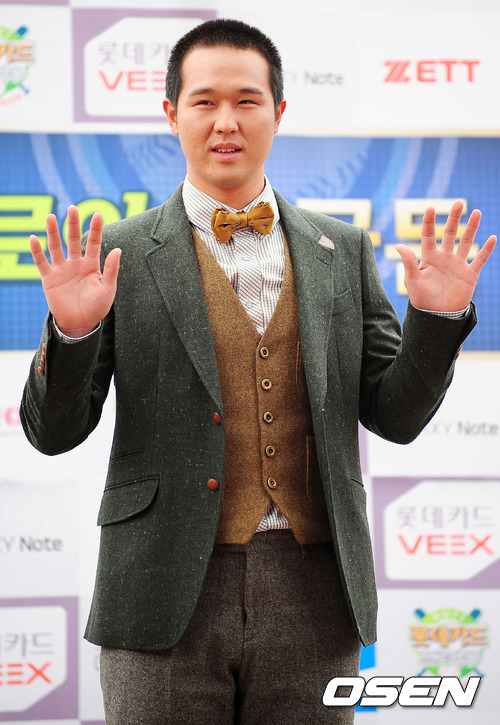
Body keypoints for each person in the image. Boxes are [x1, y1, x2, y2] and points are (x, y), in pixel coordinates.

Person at [21, 18, 495, 725]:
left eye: (246, 100)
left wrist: (434, 319)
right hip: (158, 586)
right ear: (171, 114)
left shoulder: (343, 250)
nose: (226, 122)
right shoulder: (116, 254)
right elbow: (53, 433)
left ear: (279, 112)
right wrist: (74, 331)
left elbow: (395, 417)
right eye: (204, 101)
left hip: (314, 590)